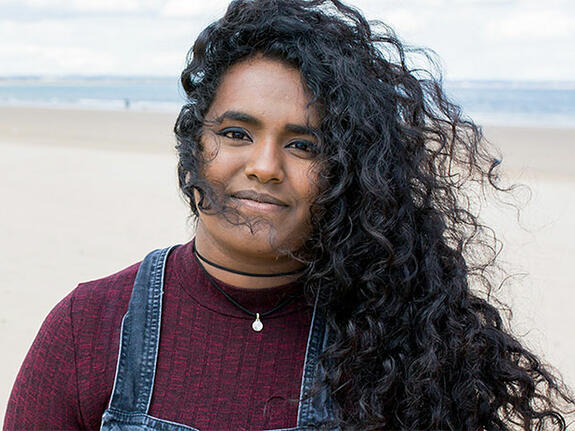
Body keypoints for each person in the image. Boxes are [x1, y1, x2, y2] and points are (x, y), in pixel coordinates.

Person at [4, 0, 574, 430]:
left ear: (348, 171)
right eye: (236, 132)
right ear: (194, 146)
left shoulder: (404, 339)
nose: (265, 165)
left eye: (304, 145)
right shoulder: (88, 328)